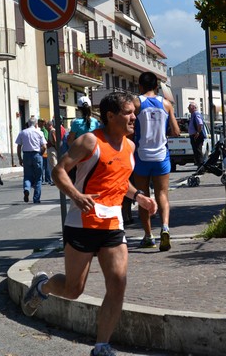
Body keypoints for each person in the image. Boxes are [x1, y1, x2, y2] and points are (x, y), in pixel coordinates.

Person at [21, 92, 158, 356]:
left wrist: (139, 197)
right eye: (128, 112)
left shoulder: (129, 147)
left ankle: (101, 346)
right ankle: (43, 286)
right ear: (110, 116)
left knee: (118, 283)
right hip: (82, 223)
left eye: (134, 112)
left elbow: (119, 181)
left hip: (113, 226)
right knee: (74, 290)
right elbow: (58, 170)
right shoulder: (90, 141)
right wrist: (76, 195)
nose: (134, 117)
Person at [133, 71, 180, 251]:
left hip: (141, 155)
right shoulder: (166, 104)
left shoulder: (136, 103)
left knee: (143, 196)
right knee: (162, 194)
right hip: (162, 155)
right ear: (156, 86)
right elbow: (176, 131)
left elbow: (128, 128)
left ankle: (148, 236)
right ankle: (165, 228)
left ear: (140, 86)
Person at [15, 118, 46, 203]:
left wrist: (19, 158)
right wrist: (41, 154)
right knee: (38, 178)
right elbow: (44, 146)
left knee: (27, 175)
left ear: (28, 124)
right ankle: (36, 198)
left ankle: (27, 189)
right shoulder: (39, 132)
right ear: (36, 124)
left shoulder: (22, 132)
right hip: (37, 154)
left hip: (26, 155)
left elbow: (18, 146)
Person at [187, 102, 206, 166]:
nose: (188, 108)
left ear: (194, 108)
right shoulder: (193, 115)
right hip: (194, 135)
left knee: (198, 151)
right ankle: (199, 165)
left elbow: (200, 124)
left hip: (197, 136)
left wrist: (197, 132)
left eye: (190, 107)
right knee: (196, 151)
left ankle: (201, 166)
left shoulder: (196, 114)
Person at [39, 118, 52, 185]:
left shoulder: (44, 131)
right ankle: (46, 179)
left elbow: (46, 140)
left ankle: (48, 179)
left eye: (40, 122)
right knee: (44, 166)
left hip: (44, 150)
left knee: (45, 166)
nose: (38, 123)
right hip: (43, 150)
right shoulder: (41, 130)